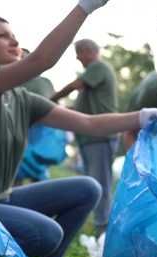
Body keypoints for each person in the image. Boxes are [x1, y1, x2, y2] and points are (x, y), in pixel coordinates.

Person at [0, 6, 157, 257]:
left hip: (0, 199)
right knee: (45, 234)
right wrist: (83, 8)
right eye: (2, 36)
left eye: (14, 35)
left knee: (88, 188)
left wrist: (142, 116)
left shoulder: (22, 99)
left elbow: (89, 123)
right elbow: (41, 60)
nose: (14, 41)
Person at [50, 38, 118, 233]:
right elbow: (79, 108)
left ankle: (104, 225)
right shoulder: (92, 76)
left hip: (101, 136)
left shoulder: (98, 67)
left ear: (89, 51)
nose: (78, 57)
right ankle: (101, 222)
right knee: (93, 181)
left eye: (79, 53)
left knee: (100, 182)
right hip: (91, 137)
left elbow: (73, 86)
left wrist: (50, 100)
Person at [13, 48, 60, 185]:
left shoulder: (46, 82)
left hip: (41, 133)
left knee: (38, 170)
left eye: (26, 58)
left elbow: (54, 105)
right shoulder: (13, 80)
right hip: (20, 130)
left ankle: (37, 199)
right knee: (18, 170)